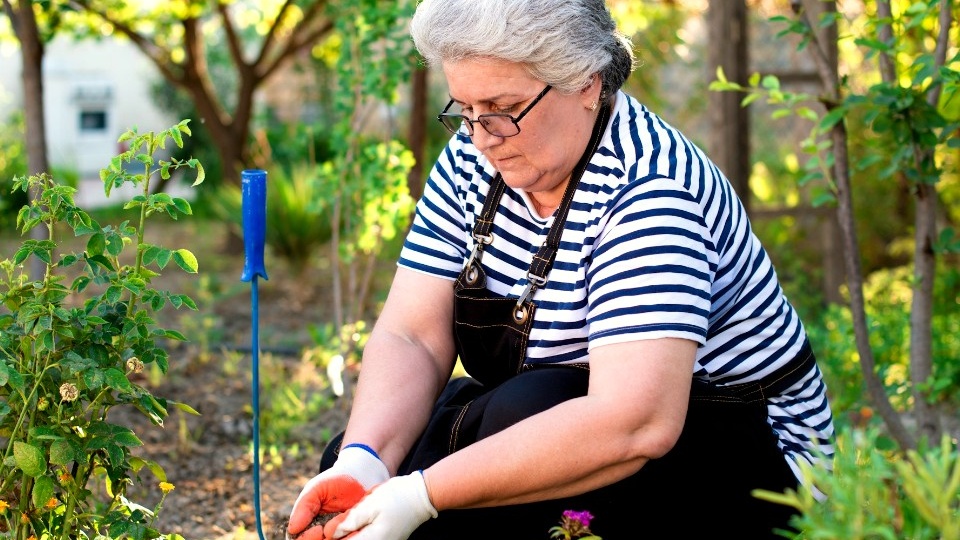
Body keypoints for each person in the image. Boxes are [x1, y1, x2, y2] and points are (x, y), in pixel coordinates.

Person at [287, 0, 836, 538]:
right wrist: (367, 462)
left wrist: (421, 495)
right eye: (465, 109)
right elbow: (413, 336)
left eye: (501, 108)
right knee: (361, 467)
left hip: (753, 468)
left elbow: (634, 421)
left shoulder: (651, 191)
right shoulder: (470, 159)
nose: (482, 138)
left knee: (514, 423)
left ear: (586, 83)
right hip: (569, 415)